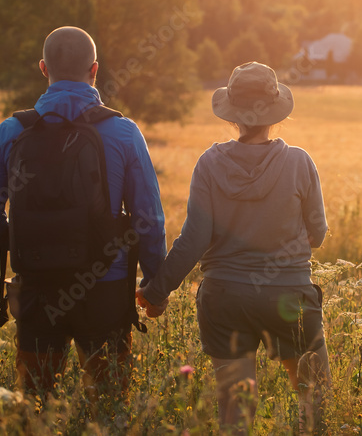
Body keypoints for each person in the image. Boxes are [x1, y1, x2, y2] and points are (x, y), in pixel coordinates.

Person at [0, 26, 167, 407]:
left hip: (37, 286)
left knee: (35, 406)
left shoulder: (12, 131)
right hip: (106, 285)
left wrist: (27, 239)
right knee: (110, 406)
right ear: (95, 69)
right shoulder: (123, 132)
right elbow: (148, 219)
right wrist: (155, 285)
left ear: (44, 68)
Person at [136, 61, 331, 435]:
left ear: (233, 116)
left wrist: (156, 292)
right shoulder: (299, 162)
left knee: (236, 413)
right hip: (288, 297)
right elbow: (317, 232)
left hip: (224, 299)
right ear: (275, 113)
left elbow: (194, 239)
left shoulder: (209, 164)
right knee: (314, 402)